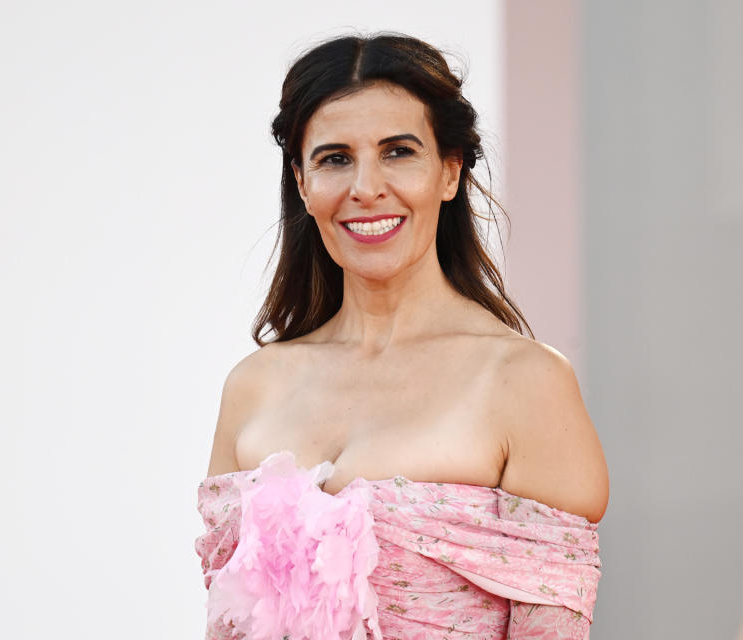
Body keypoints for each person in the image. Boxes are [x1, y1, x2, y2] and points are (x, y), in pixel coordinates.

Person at [195, 31, 608, 640]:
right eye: (335, 158)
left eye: (398, 152)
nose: (365, 187)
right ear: (302, 183)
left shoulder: (526, 383)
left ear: (449, 171)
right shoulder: (254, 385)